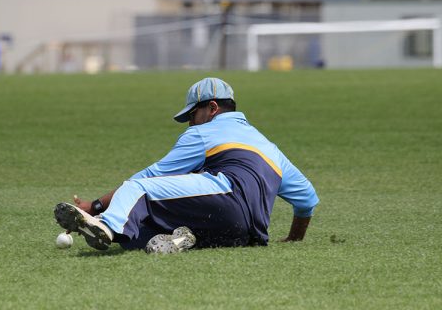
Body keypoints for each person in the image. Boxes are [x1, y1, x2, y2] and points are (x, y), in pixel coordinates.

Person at [54, 77, 319, 253]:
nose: (191, 122)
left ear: (212, 108)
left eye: (193, 115)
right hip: (246, 235)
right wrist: (293, 240)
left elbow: (152, 177)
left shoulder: (203, 133)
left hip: (227, 198)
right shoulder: (271, 148)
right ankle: (184, 238)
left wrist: (95, 206)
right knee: (137, 237)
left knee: (137, 188)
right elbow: (307, 200)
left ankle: (105, 225)